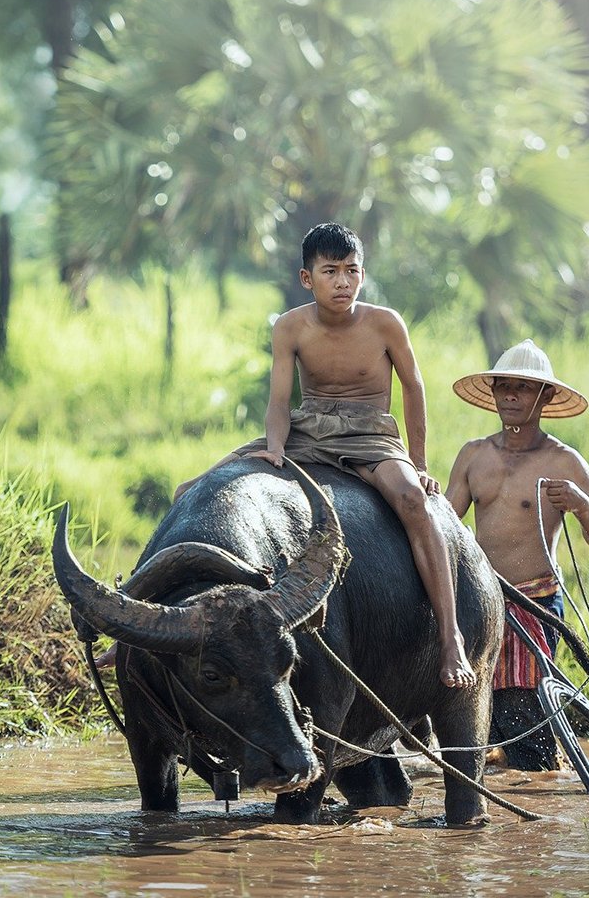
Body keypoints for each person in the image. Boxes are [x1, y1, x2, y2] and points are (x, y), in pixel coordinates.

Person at [176, 222, 475, 689]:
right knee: (189, 488)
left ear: (363, 275)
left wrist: (419, 463)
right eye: (331, 271)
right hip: (310, 428)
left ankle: (450, 634)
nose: (343, 282)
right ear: (306, 278)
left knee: (415, 502)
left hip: (370, 433)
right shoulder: (290, 326)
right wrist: (274, 448)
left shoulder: (384, 323)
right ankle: (147, 625)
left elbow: (414, 389)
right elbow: (279, 401)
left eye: (352, 271)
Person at [444, 339, 589, 770]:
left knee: (522, 714)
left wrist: (579, 503)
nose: (510, 396)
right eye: (503, 386)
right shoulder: (474, 455)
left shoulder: (564, 462)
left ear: (546, 396)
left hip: (534, 602)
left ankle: (538, 783)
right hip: (481, 602)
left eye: (522, 388)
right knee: (472, 713)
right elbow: (446, 527)